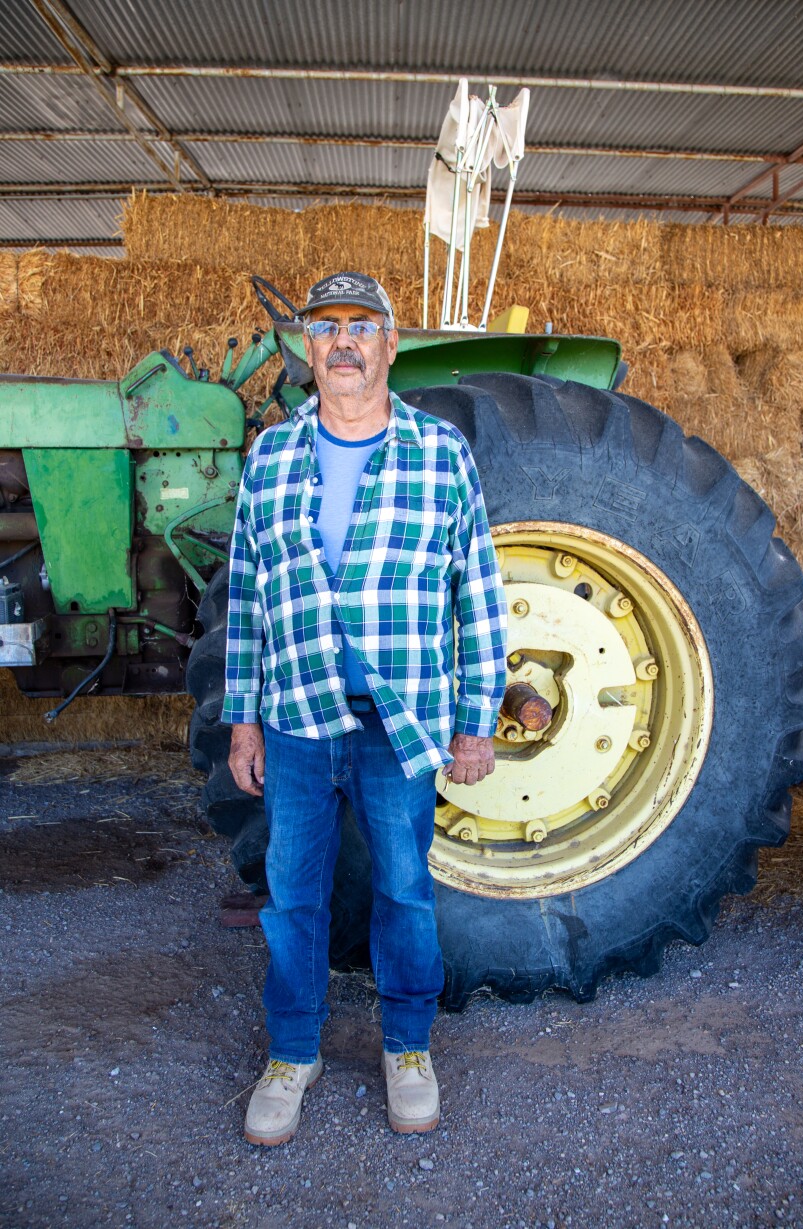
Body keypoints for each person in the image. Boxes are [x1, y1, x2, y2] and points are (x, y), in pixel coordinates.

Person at [222, 272, 508, 1146]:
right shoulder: (270, 457)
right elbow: (246, 595)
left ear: (390, 345)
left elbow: (478, 589)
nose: (343, 341)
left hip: (401, 718)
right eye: (325, 327)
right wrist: (242, 714)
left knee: (404, 890)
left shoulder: (439, 451)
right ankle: (293, 1052)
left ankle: (408, 1046)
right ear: (307, 349)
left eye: (362, 326)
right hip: (298, 716)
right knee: (293, 893)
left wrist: (477, 713)